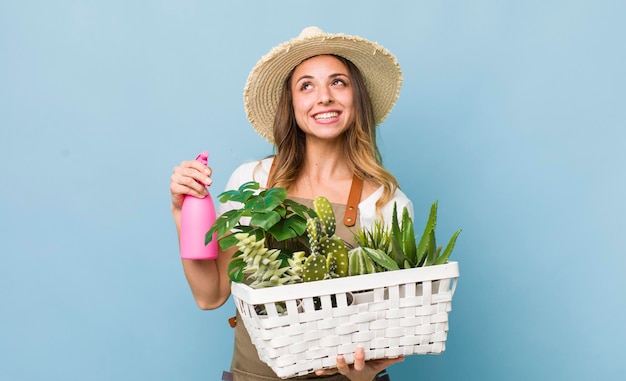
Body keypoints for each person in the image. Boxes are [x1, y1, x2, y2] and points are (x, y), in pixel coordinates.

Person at [169, 26, 414, 381]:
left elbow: (384, 332)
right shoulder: (251, 182)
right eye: (306, 85)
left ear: (356, 99)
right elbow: (210, 295)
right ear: (292, 105)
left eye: (338, 82)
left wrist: (365, 374)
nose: (324, 97)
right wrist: (183, 215)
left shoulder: (387, 203)